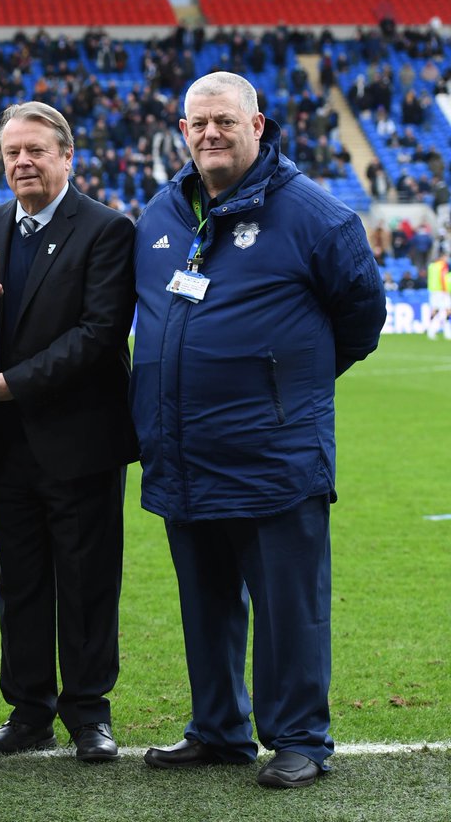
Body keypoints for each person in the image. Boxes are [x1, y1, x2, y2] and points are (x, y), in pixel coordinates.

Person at [130, 71, 386, 789]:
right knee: (205, 604)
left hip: (275, 453)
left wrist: (287, 389)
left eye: (224, 121)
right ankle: (218, 729)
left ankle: (301, 738)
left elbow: (361, 320)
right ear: (182, 131)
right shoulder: (160, 212)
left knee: (287, 609)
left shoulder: (316, 217)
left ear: (259, 125)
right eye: (197, 122)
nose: (210, 133)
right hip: (182, 450)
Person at [0, 102, 137, 762]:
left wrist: (16, 382)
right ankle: (28, 707)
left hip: (79, 440)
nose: (23, 162)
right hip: (5, 441)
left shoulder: (108, 229)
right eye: (12, 152)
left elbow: (98, 334)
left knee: (88, 579)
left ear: (68, 156)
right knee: (20, 578)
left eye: (36, 150)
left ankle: (89, 710)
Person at [426, 253, 450, 339]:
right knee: (447, 310)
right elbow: (442, 277)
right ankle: (447, 332)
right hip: (441, 290)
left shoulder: (432, 266)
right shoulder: (443, 266)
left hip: (433, 290)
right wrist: (445, 289)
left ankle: (430, 331)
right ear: (442, 257)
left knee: (435, 310)